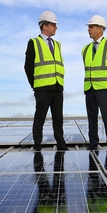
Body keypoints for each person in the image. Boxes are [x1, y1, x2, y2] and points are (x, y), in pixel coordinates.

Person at [25, 11, 67, 151]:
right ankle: (37, 145)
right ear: (45, 26)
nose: (56, 28)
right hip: (42, 88)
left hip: (57, 87)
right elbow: (28, 67)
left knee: (58, 119)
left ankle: (61, 144)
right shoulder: (34, 43)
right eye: (54, 25)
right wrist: (35, 85)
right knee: (40, 118)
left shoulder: (57, 44)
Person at [82, 15, 107, 150]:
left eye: (91, 27)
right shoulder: (85, 49)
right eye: (88, 27)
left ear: (100, 28)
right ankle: (93, 144)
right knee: (91, 119)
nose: (89, 30)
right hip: (89, 88)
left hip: (104, 88)